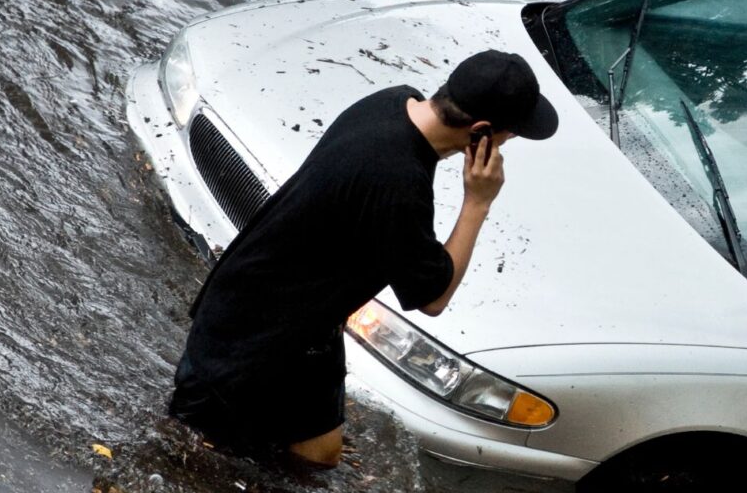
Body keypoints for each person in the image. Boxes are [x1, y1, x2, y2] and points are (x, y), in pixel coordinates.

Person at [167, 49, 559, 467]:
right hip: (252, 342)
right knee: (194, 456)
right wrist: (477, 202)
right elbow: (433, 297)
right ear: (480, 131)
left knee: (319, 455)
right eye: (509, 134)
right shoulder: (397, 180)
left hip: (296, 320)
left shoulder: (392, 101)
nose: (508, 143)